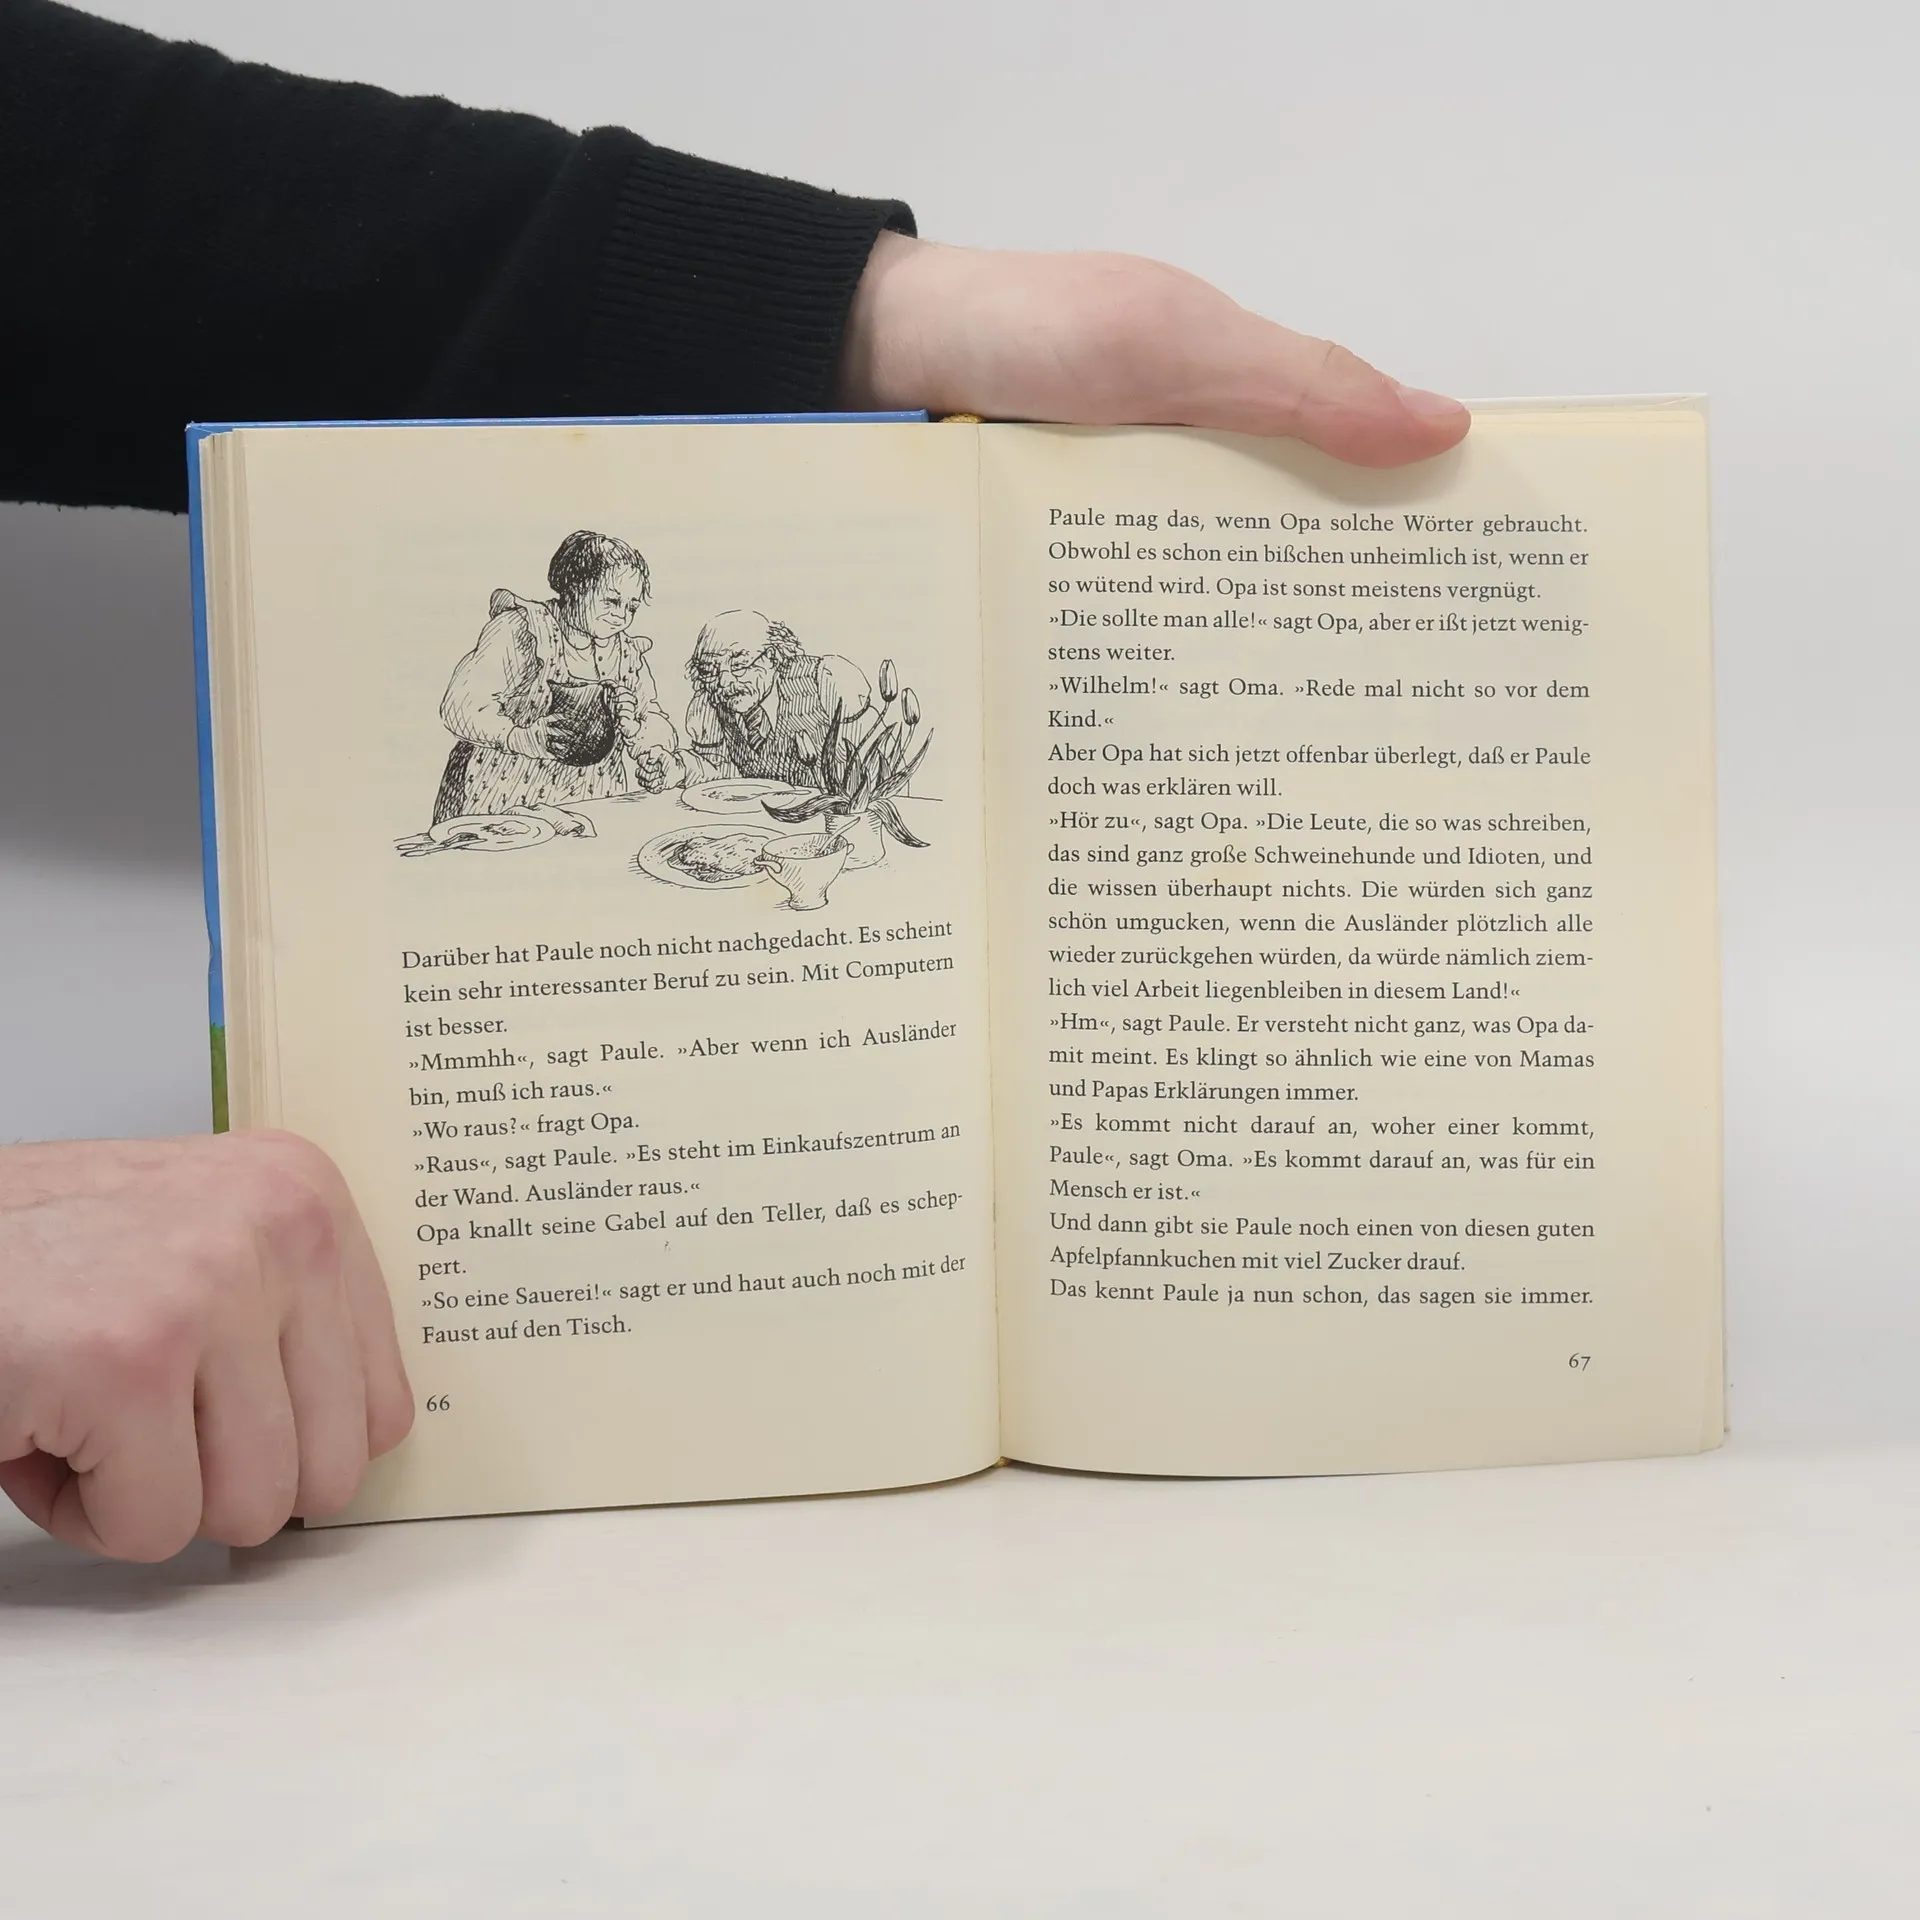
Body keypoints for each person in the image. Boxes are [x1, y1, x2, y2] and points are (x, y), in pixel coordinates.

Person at [0, 0, 1469, 1562]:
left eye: (651, 623)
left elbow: (107, 207)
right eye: (619, 614)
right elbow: (472, 716)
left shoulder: (686, 666)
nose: (636, 637)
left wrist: (875, 310)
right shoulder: (518, 635)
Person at [433, 530, 681, 822]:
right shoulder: (523, 629)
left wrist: (648, 743)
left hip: (591, 798)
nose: (622, 615)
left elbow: (650, 713)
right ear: (575, 587)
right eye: (611, 601)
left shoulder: (626, 652)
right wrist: (523, 738)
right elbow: (459, 707)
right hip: (507, 795)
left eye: (632, 607)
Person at [650, 611, 870, 792]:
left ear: (772, 657)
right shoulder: (709, 705)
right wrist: (681, 769)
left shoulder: (824, 680)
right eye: (709, 670)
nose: (724, 682)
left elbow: (872, 762)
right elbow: (720, 775)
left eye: (739, 665)